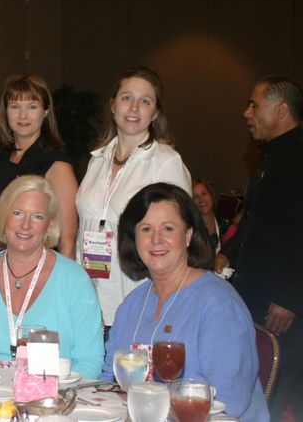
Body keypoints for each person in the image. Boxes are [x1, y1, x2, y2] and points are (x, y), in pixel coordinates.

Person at [104, 183, 268, 422]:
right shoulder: (132, 305)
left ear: (188, 235)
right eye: (146, 229)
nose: (156, 239)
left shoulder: (218, 303)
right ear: (134, 238)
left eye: (168, 228)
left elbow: (229, 401)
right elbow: (111, 379)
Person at [75, 66, 191, 330]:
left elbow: (181, 239)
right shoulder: (97, 161)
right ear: (113, 106)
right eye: (127, 98)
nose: (134, 107)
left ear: (156, 113)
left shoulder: (165, 162)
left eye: (145, 101)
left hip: (142, 302)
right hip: (91, 303)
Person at [0, 175, 103, 375]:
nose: (25, 225)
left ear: (49, 226)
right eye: (17, 213)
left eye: (37, 216)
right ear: (3, 216)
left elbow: (90, 362)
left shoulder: (75, 280)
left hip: (52, 399)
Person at [216, 75, 303, 419]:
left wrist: (291, 297)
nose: (246, 113)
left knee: (274, 399)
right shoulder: (270, 158)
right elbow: (257, 223)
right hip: (256, 301)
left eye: (255, 105)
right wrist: (229, 252)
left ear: (281, 110)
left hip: (282, 310)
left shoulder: (298, 159)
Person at [0, 74, 78, 259]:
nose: (23, 115)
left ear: (46, 111)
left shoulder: (58, 166)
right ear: (6, 111)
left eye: (32, 107)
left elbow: (68, 241)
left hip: (40, 275)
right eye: (15, 107)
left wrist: (63, 286)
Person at [191, 179, 229, 253]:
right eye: (195, 197)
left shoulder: (225, 224)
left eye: (204, 193)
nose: (201, 199)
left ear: (211, 195)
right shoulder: (192, 231)